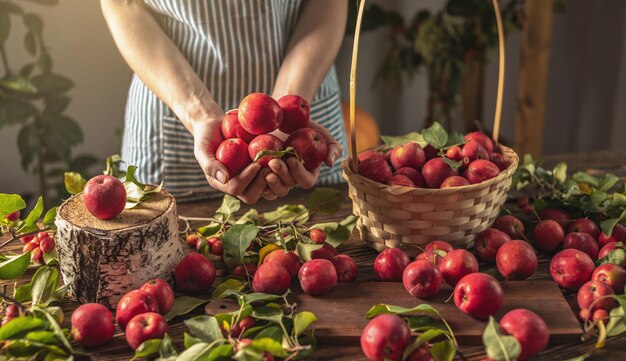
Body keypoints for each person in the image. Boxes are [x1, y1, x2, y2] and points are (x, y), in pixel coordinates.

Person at [101, 0, 348, 204]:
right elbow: (124, 4)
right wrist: (200, 114)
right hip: (175, 118)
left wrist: (287, 111)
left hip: (301, 115)